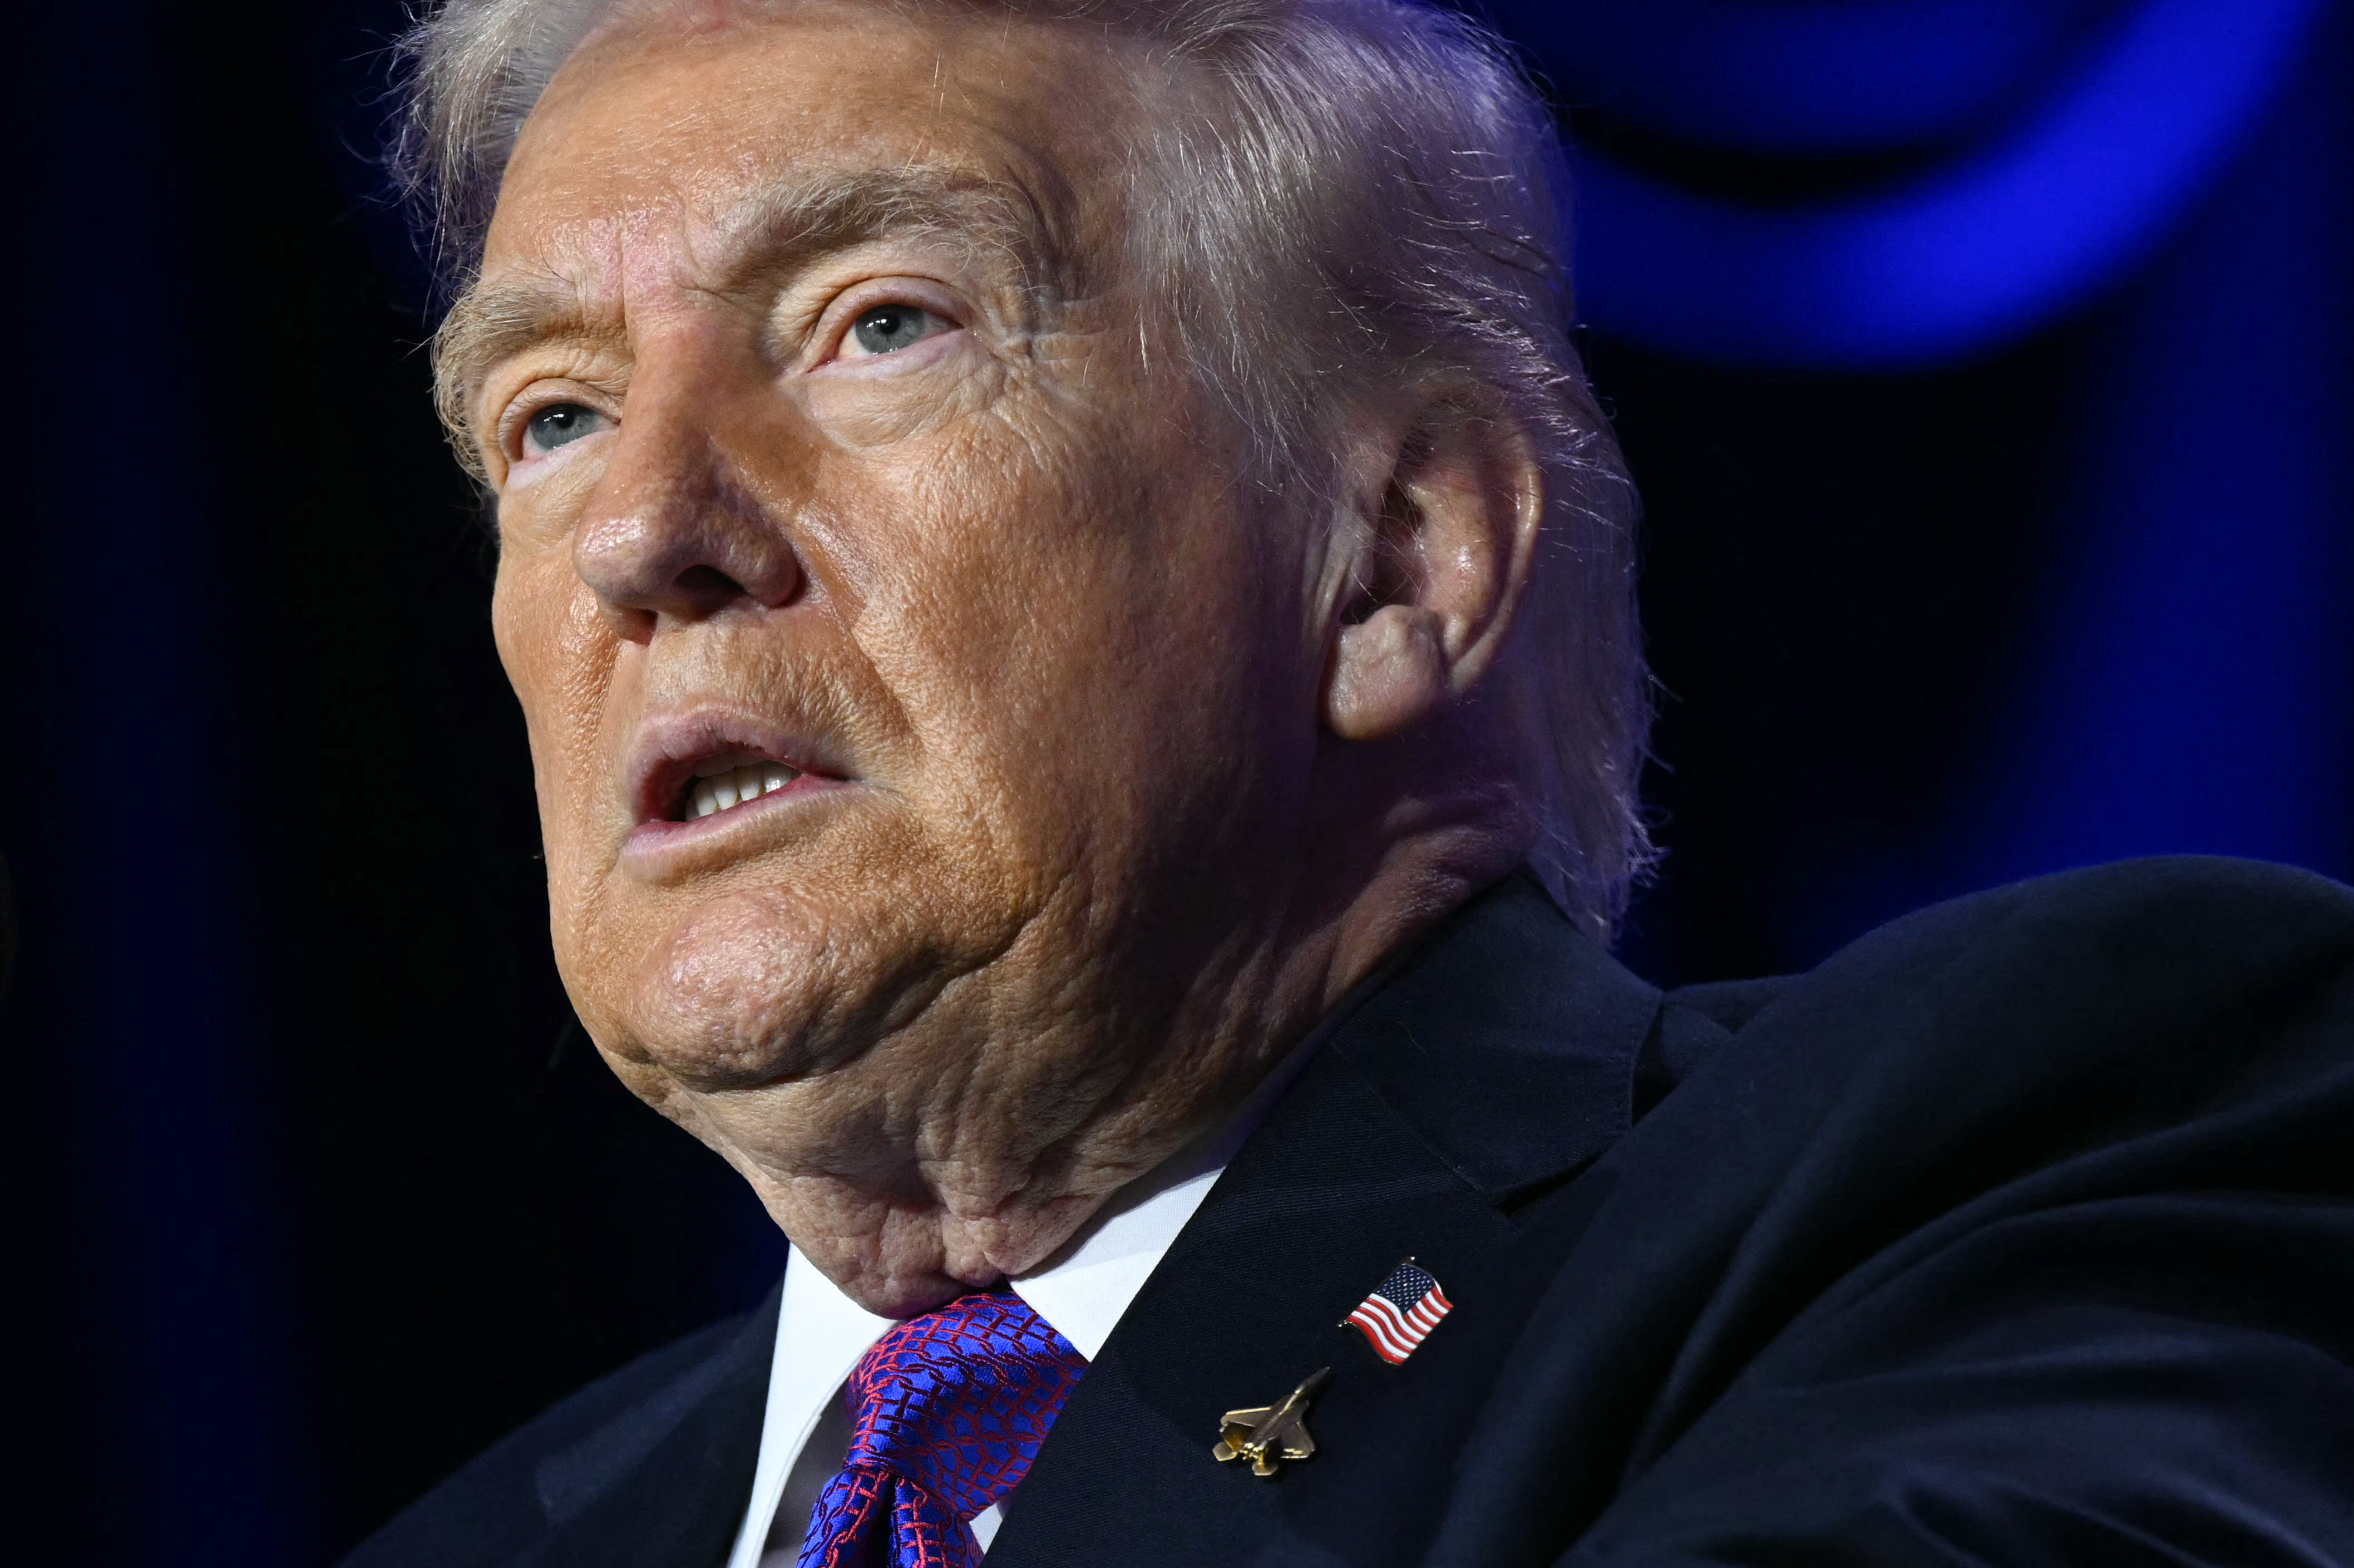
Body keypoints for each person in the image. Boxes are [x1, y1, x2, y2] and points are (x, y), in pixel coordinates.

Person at [344, 1, 2354, 1564]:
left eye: (879, 323)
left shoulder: (2022, 1153)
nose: (641, 534)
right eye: (553, 420)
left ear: (1396, 560)